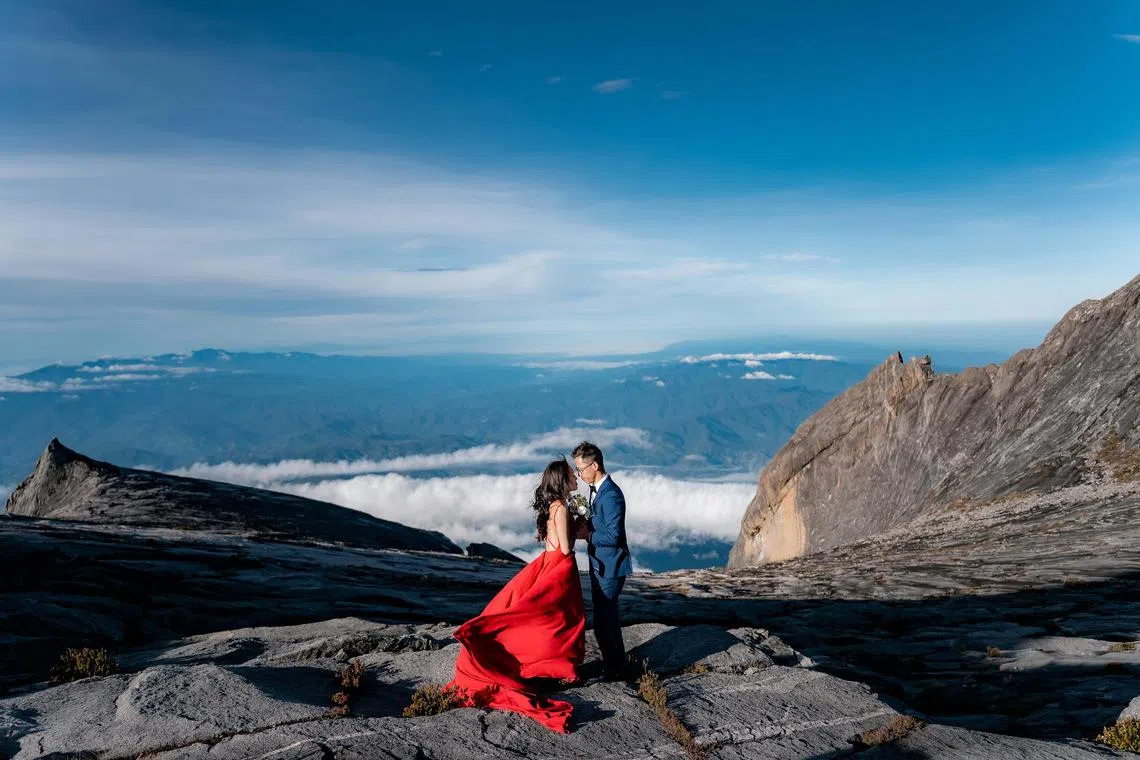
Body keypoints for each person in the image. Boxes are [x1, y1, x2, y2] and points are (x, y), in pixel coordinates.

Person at [445, 458, 587, 732]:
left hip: (548, 564)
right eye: (572, 474)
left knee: (551, 619)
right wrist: (581, 529)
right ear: (562, 480)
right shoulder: (560, 509)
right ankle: (561, 669)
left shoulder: (554, 506)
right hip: (560, 568)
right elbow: (566, 549)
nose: (576, 478)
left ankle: (556, 667)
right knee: (564, 620)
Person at [572, 440, 633, 682]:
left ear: (594, 465)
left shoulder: (611, 496)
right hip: (601, 565)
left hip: (611, 567)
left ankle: (615, 670)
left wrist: (588, 535)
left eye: (581, 469)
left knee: (605, 621)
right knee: (605, 619)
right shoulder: (596, 489)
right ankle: (615, 665)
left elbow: (615, 536)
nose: (579, 474)